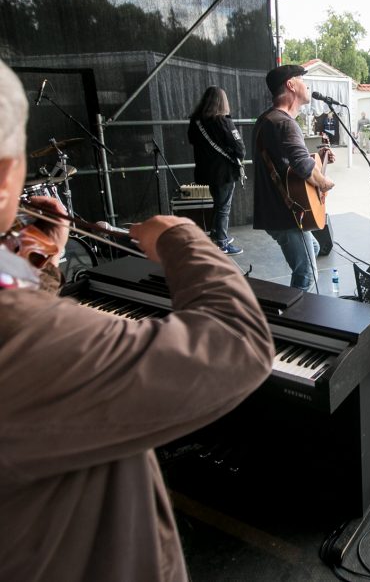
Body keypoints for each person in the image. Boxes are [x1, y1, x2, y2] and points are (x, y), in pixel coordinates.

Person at [0, 58, 274, 581]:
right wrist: (178, 237)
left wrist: (40, 266)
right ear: (6, 173)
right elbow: (237, 341)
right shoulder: (20, 341)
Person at [253, 64, 335, 291]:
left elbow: (286, 162)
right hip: (286, 213)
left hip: (273, 210)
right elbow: (302, 167)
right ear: (291, 85)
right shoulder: (285, 123)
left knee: (314, 252)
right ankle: (292, 321)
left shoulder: (267, 119)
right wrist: (325, 183)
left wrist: (318, 157)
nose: (306, 84)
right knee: (306, 274)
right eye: (301, 79)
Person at [188, 85, 246, 255]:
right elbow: (240, 148)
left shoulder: (195, 122)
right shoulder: (223, 121)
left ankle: (217, 236)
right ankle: (221, 242)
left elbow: (192, 141)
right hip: (224, 172)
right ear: (222, 102)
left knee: (218, 204)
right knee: (223, 207)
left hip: (206, 171)